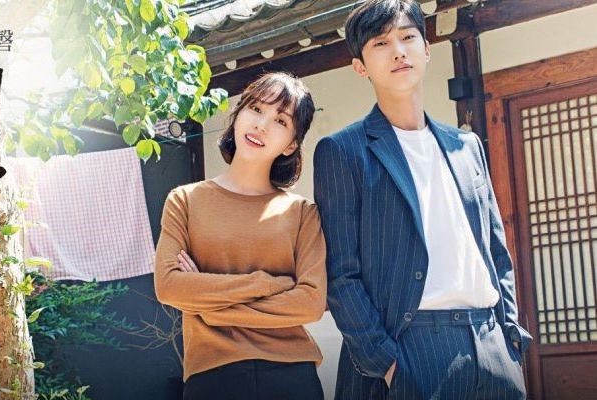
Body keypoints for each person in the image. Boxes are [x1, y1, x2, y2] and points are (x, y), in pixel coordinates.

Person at [313, 1, 531, 399]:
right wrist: (385, 362)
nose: (399, 51)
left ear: (427, 49)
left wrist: (510, 335)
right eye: (381, 43)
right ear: (360, 66)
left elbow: (496, 251)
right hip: (410, 348)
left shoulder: (466, 146)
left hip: (492, 344)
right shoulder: (343, 151)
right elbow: (341, 273)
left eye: (408, 37)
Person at [154, 72, 327, 400]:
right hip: (212, 376)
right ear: (238, 113)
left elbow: (310, 304)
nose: (261, 125)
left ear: (291, 144)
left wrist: (208, 308)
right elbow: (169, 286)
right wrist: (267, 284)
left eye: (280, 120)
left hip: (292, 375)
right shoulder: (185, 200)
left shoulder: (303, 213)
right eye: (256, 109)